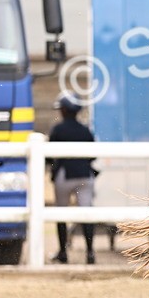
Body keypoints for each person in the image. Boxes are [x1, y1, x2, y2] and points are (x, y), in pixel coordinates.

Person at [48, 95, 97, 264]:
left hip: (64, 175)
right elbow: (93, 155)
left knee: (61, 212)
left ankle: (63, 252)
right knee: (86, 213)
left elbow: (49, 157)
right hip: (85, 175)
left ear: (64, 110)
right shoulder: (85, 130)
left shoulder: (58, 129)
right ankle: (90, 253)